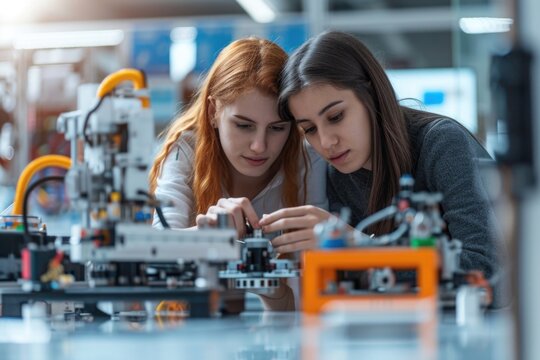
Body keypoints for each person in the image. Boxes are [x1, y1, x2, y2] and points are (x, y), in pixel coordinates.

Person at [259, 31, 503, 303]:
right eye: (310, 129)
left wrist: (360, 246)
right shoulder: (336, 170)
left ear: (371, 95)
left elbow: (486, 268)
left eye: (336, 116)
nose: (326, 142)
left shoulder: (441, 142)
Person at [148, 37, 328, 310]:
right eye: (244, 126)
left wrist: (267, 284)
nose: (259, 146)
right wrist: (209, 235)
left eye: (277, 128)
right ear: (212, 112)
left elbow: (310, 301)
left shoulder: (307, 158)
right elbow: (156, 252)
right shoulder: (185, 150)